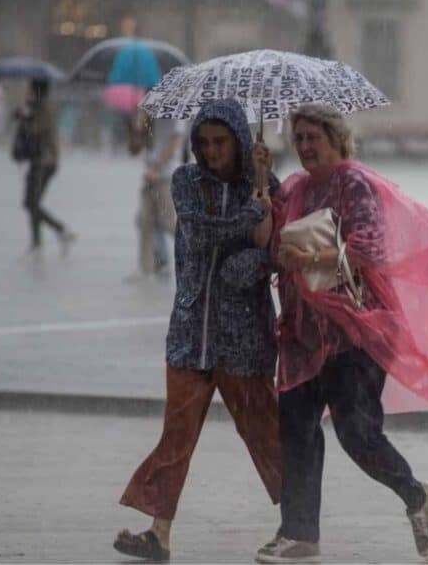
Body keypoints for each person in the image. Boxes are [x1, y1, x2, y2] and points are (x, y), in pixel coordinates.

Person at [256, 104, 428, 563]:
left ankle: (414, 494)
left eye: (313, 137)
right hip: (302, 335)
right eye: (299, 138)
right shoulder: (292, 189)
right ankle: (299, 533)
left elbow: (369, 248)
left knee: (357, 433)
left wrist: (309, 257)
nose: (305, 146)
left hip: (352, 333)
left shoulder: (354, 184)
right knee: (297, 432)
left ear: (336, 139)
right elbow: (272, 251)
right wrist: (261, 193)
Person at [114, 98, 281, 562]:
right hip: (191, 333)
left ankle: (298, 523)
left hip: (245, 336)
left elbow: (272, 250)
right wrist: (250, 217)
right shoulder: (186, 181)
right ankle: (158, 533)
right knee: (177, 435)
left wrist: (262, 189)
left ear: (240, 141)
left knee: (265, 433)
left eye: (220, 142)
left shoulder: (266, 185)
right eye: (204, 142)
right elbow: (202, 233)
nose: (211, 151)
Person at [13, 79, 76, 255]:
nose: (28, 92)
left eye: (31, 89)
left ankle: (59, 231)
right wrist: (26, 114)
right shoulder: (38, 107)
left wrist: (24, 118)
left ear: (37, 90)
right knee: (32, 202)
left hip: (45, 161)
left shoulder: (45, 108)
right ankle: (38, 242)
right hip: (40, 160)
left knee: (31, 202)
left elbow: (36, 131)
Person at [123, 108, 186, 283]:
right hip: (149, 175)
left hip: (166, 175)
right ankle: (145, 269)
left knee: (169, 223)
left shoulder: (177, 113)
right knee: (145, 221)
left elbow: (175, 141)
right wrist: (138, 124)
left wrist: (157, 167)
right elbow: (135, 148)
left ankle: (196, 256)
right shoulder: (150, 113)